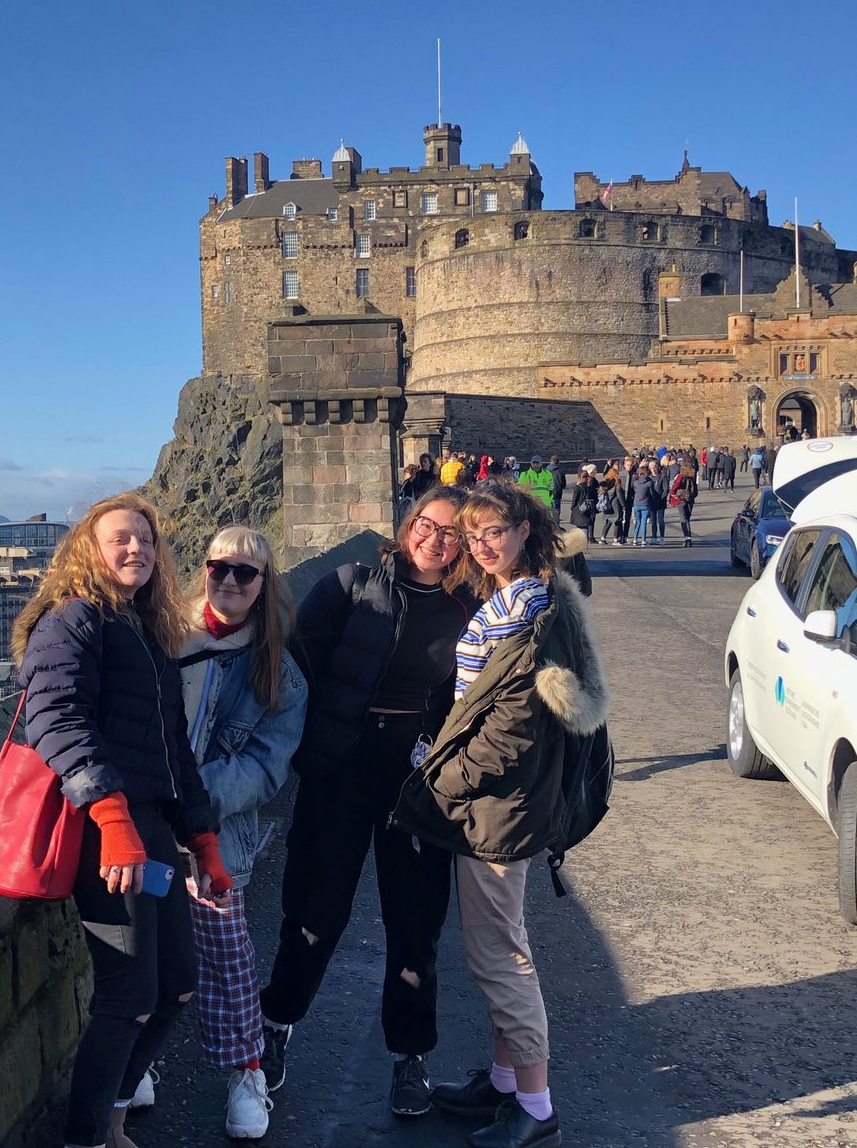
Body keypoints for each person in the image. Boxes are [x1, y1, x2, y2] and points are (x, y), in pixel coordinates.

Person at [391, 483, 609, 1148]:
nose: (483, 544)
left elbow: (509, 732)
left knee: (499, 956)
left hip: (498, 806)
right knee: (500, 942)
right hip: (500, 803)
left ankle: (537, 1108)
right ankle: (506, 1082)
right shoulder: (515, 596)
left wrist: (440, 783)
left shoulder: (529, 611)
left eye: (496, 531)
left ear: (525, 530)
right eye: (474, 532)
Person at [12, 494, 233, 1148]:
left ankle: (110, 1116)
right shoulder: (73, 620)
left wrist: (206, 841)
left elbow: (175, 751)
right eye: (121, 539)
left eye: (146, 539)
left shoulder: (145, 629)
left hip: (154, 841)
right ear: (89, 549)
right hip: (104, 837)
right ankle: (86, 1136)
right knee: (127, 995)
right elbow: (54, 719)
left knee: (178, 988)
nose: (137, 548)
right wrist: (112, 819)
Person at [258, 488, 480, 1117]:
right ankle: (276, 1027)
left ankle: (411, 1056)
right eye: (428, 525)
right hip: (342, 769)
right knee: (313, 909)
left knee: (416, 921)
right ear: (408, 525)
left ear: (463, 545)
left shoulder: (470, 605)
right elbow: (294, 663)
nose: (436, 540)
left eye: (451, 534)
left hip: (417, 778)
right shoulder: (351, 583)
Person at [176, 527, 308, 1139]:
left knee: (227, 961)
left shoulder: (279, 670)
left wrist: (193, 796)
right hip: (144, 825)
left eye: (245, 572)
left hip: (219, 834)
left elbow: (263, 767)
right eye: (218, 566)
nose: (229, 579)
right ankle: (135, 1066)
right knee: (144, 956)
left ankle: (245, 1075)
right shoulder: (164, 637)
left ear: (264, 584)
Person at [669, 462, 698, 547]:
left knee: (683, 519)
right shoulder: (692, 477)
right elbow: (695, 491)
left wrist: (673, 494)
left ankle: (687, 538)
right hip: (690, 500)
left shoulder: (680, 476)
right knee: (687, 519)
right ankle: (689, 539)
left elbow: (674, 487)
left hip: (681, 499)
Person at [569, 467, 597, 543]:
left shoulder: (578, 488)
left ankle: (579, 542)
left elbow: (574, 500)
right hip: (587, 510)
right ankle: (584, 541)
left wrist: (572, 507)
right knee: (585, 527)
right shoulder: (590, 488)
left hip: (578, 510)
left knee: (579, 527)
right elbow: (595, 498)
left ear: (579, 477)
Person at [630, 465, 655, 546]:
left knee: (638, 522)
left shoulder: (635, 482)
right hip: (645, 504)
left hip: (636, 503)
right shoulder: (649, 483)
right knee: (643, 522)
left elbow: (634, 491)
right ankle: (643, 540)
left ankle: (634, 539)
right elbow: (652, 494)